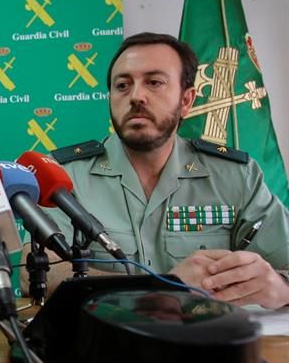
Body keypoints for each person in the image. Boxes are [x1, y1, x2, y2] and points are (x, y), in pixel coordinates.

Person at [45, 32, 289, 309]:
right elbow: (43, 274)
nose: (136, 96)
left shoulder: (235, 176)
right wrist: (163, 287)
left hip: (208, 334)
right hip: (102, 334)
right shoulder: (65, 176)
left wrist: (280, 286)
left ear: (186, 101)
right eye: (122, 85)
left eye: (154, 82)